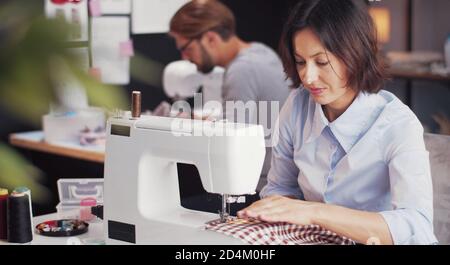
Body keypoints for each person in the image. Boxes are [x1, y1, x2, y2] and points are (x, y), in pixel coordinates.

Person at [237, 0, 437, 245]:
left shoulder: (398, 125)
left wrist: (314, 213)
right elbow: (280, 187)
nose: (308, 77)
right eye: (301, 61)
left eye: (321, 62)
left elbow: (416, 224)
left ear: (355, 54)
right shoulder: (297, 106)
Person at [169, 0, 290, 187]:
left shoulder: (242, 70)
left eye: (186, 48)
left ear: (210, 38)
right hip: (275, 178)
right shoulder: (261, 52)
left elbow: (230, 140)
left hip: (259, 186)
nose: (185, 57)